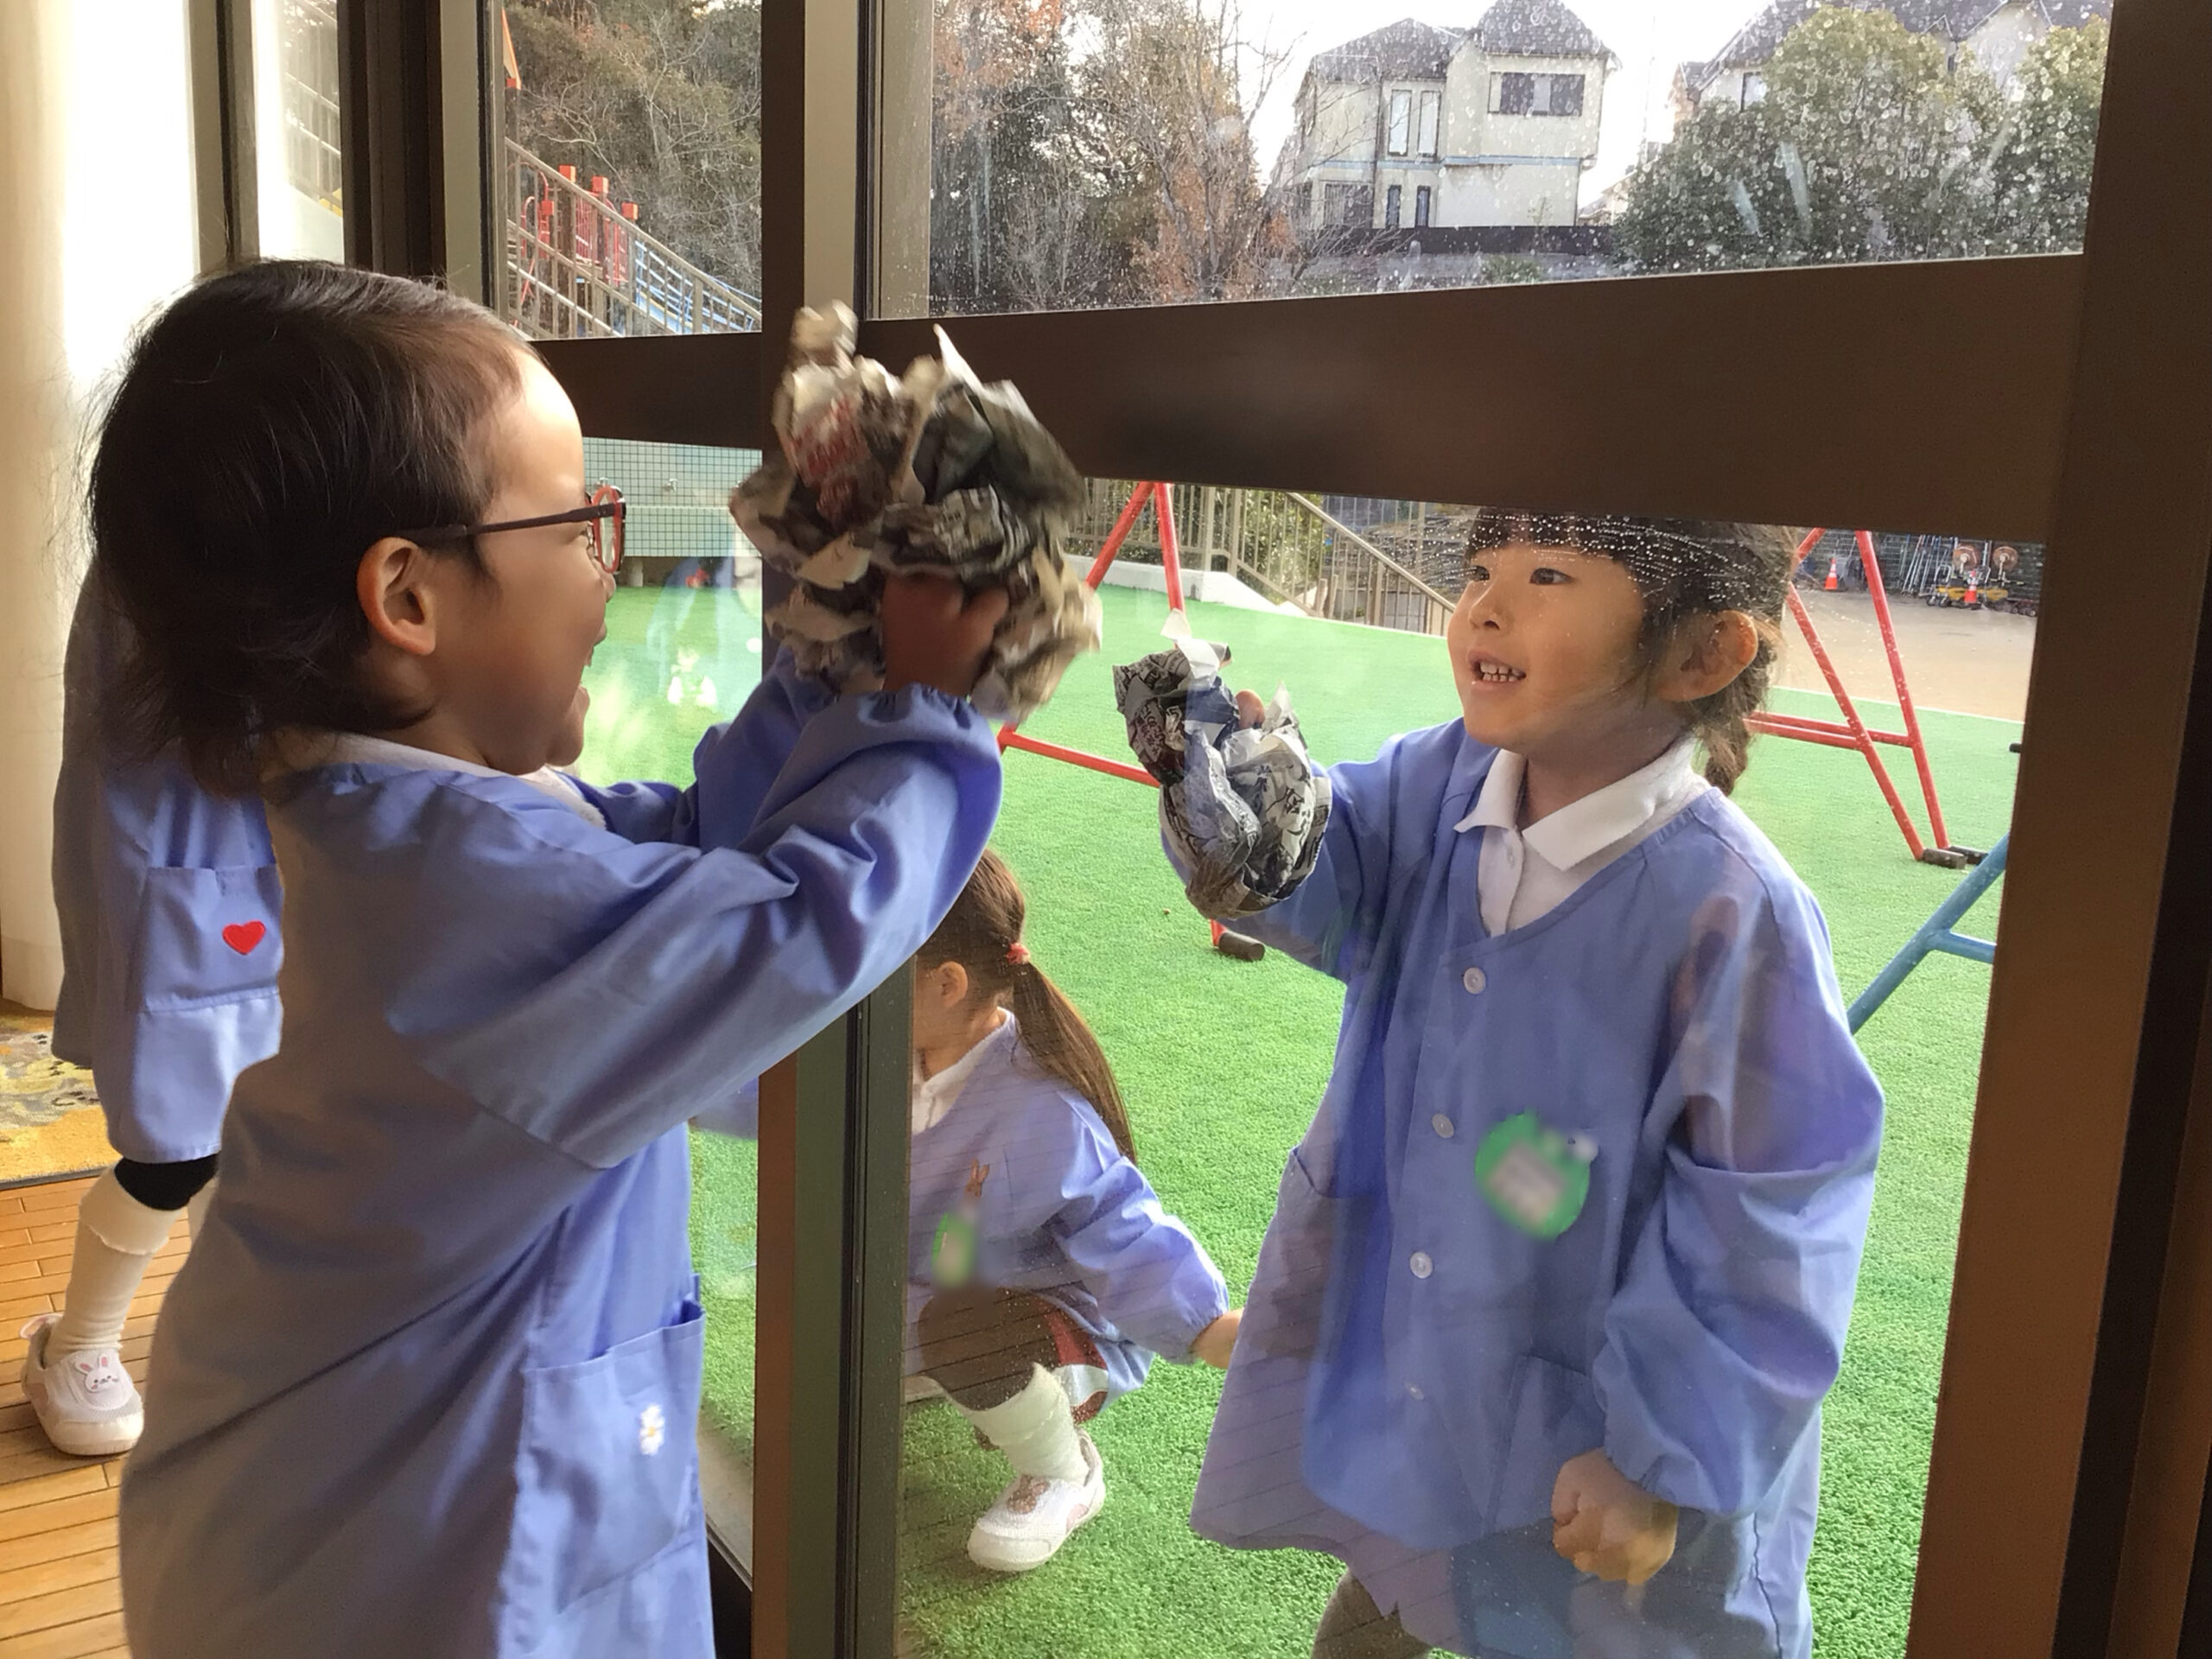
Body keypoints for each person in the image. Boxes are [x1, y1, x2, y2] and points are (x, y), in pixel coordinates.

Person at [92, 259, 1008, 1659]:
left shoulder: (403, 822)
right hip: (381, 1580)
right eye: (580, 520)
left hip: (308, 1496)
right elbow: (791, 924)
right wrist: (934, 701)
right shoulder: (469, 901)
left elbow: (704, 846)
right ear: (409, 596)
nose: (609, 554)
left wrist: (834, 658)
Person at [1155, 513, 1884, 1659]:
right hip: (1425, 1359)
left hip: (1601, 1437)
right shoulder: (1438, 778)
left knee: (1577, 1618)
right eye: (1479, 571)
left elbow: (1772, 1219)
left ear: (1701, 654)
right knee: (1397, 1593)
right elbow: (1332, 883)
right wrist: (1253, 820)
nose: (1484, 608)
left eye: (1548, 575)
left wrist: (1663, 1457)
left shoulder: (1736, 915)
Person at [906, 849, 1239, 1572]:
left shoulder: (1041, 1109)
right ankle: (928, 1362)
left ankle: (1063, 1469)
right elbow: (774, 1094)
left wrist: (1209, 1328)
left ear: (945, 984)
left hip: (1041, 1321)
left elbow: (1120, 1223)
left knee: (958, 1331)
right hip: (933, 1280)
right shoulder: (890, 1050)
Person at [30, 588, 282, 1457]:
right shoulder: (164, 542)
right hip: (175, 851)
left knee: (254, 1119)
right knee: (175, 1145)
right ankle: (75, 1346)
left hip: (267, 849)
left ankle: (227, 1327)